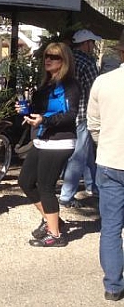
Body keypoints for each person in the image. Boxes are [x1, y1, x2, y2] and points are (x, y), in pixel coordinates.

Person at [17, 42, 80, 248]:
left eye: (54, 56)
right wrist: (26, 112)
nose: (48, 59)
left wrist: (45, 120)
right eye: (46, 56)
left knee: (45, 186)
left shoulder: (70, 84)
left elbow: (71, 115)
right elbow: (38, 111)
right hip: (42, 139)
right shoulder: (46, 85)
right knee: (26, 181)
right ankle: (52, 220)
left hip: (60, 141)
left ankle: (55, 235)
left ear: (64, 60)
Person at [87, 31, 124, 301]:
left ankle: (113, 285)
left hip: (111, 161)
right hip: (111, 159)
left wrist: (106, 145)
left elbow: (93, 126)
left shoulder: (103, 82)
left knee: (111, 227)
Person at [58, 29, 101, 208]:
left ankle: (94, 186)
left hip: (65, 113)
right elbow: (94, 91)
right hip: (83, 113)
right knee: (79, 156)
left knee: (87, 152)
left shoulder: (65, 59)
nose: (94, 46)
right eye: (92, 42)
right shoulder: (89, 63)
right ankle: (67, 195)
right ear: (86, 43)